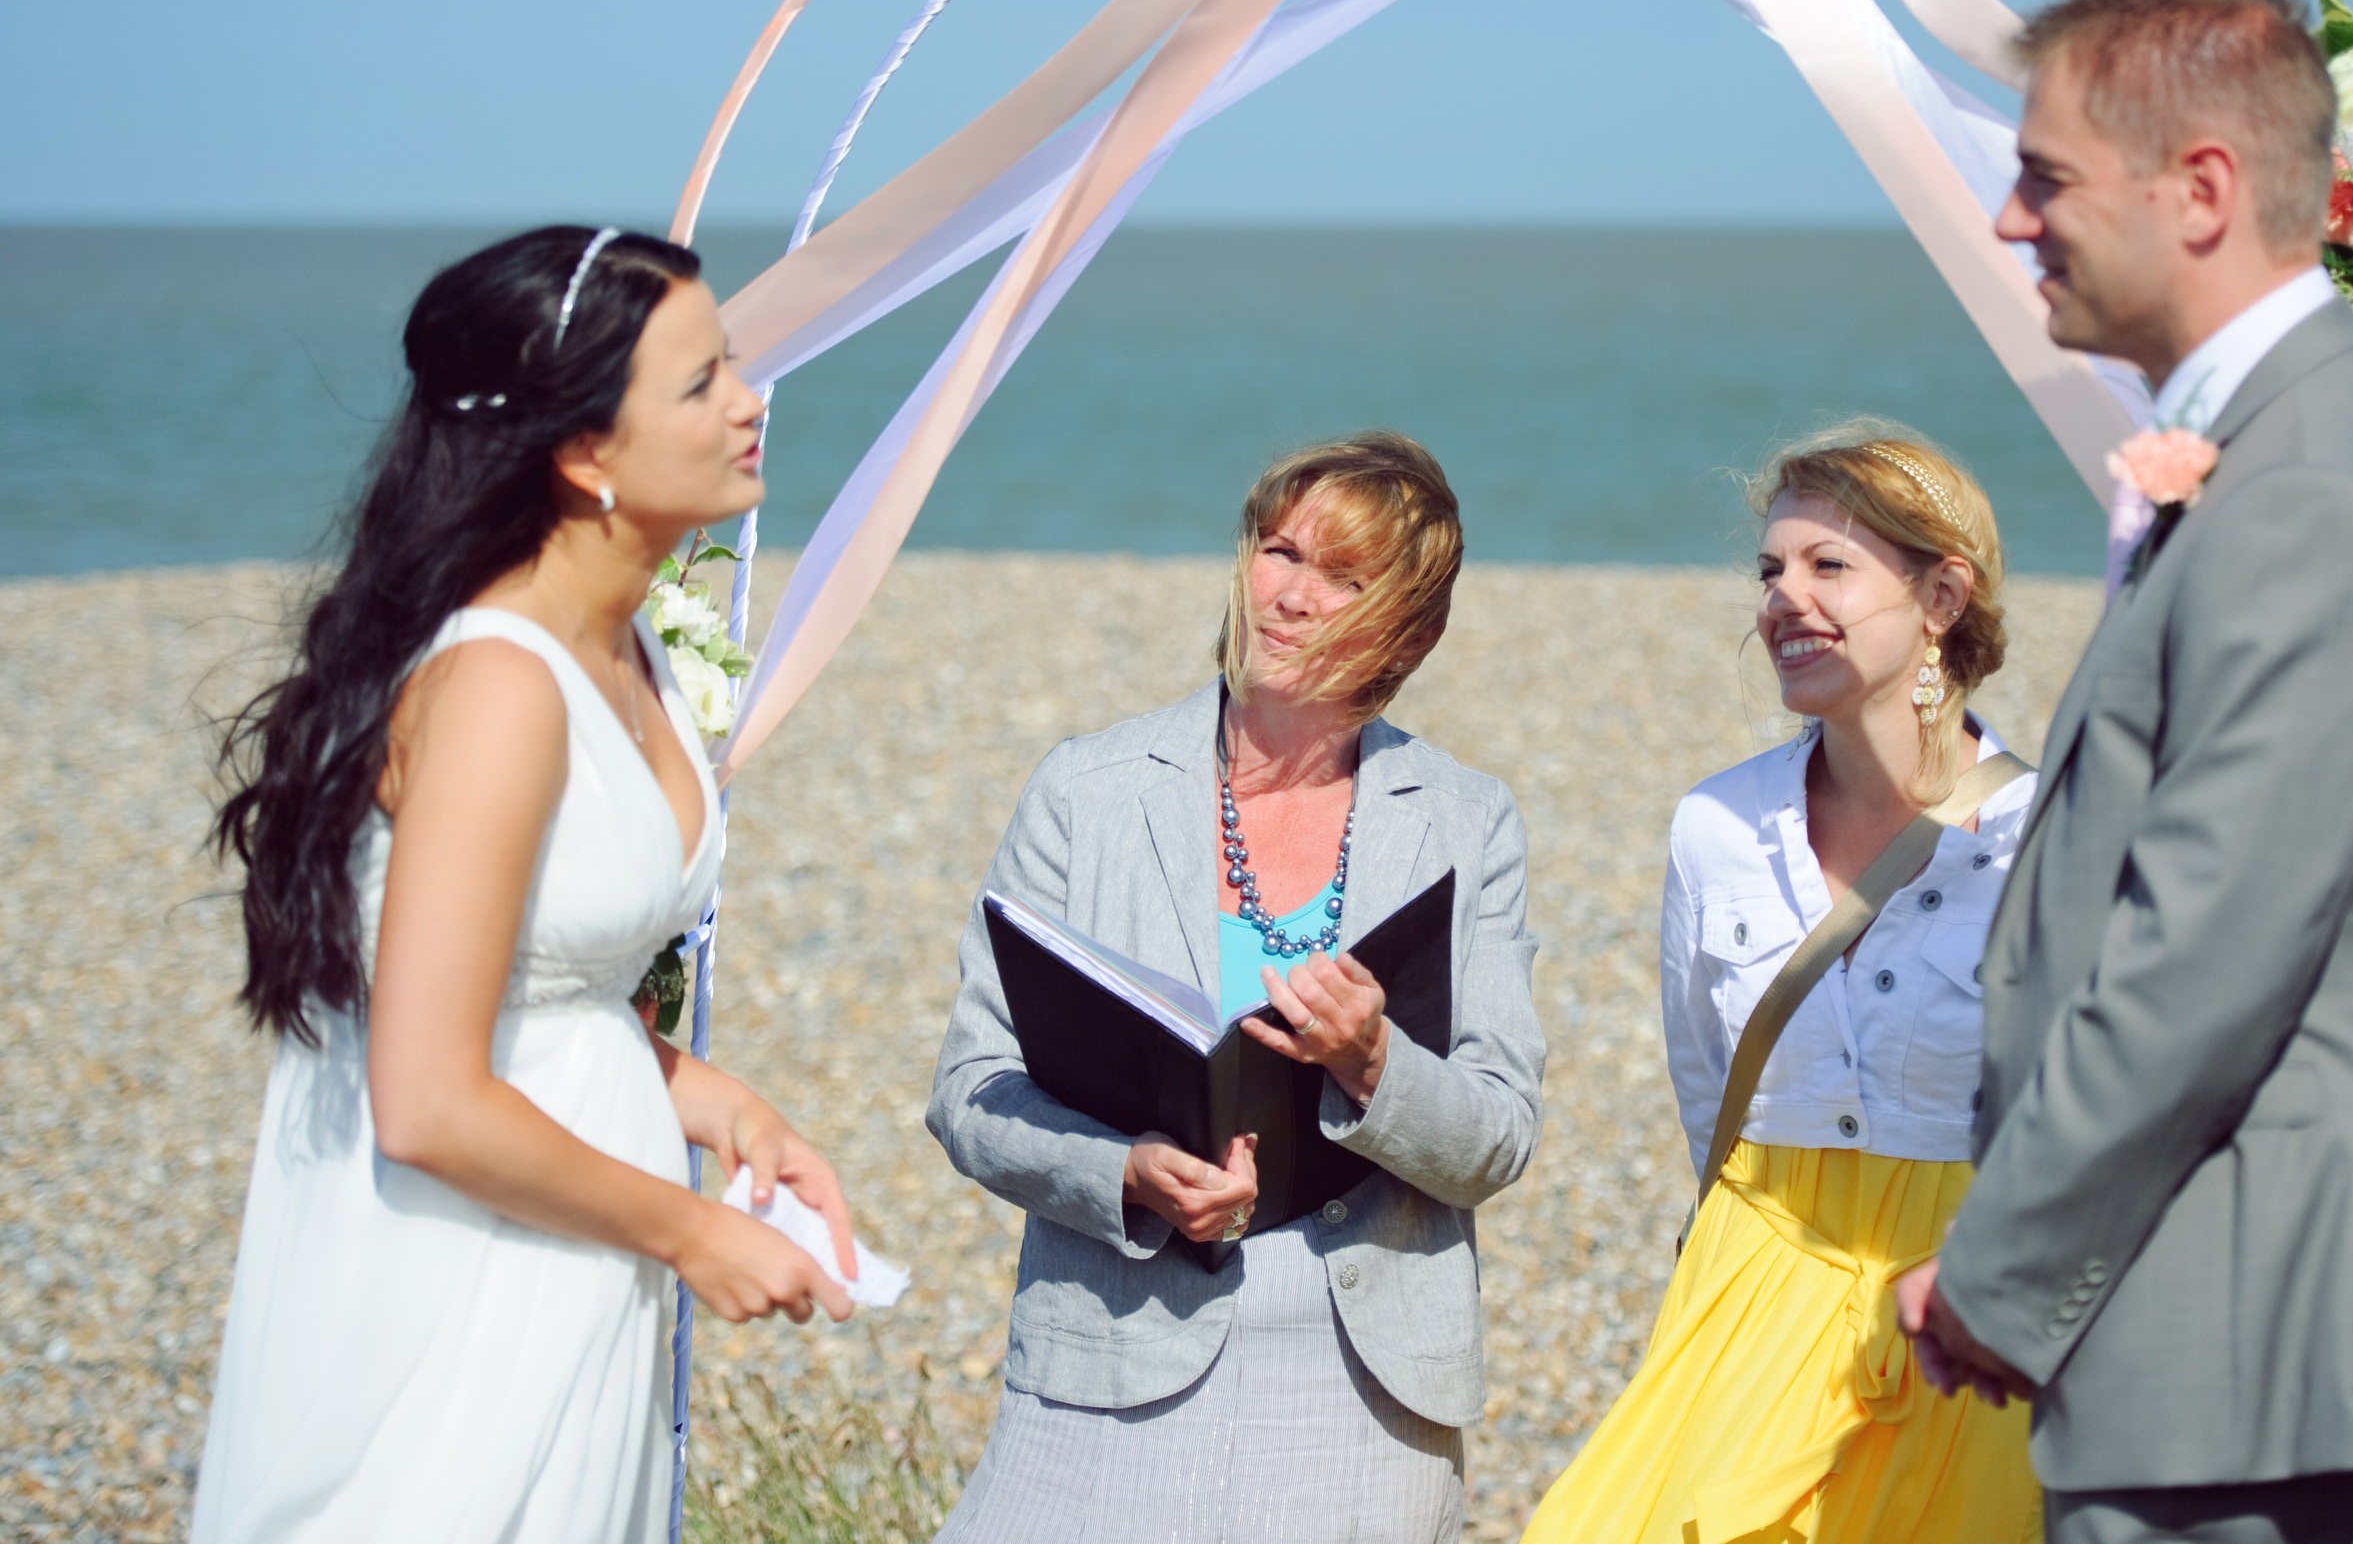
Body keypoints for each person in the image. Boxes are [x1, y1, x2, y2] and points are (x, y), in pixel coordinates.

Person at [1892, 0, 2353, 1544]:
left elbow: (2211, 943)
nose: (2006, 221)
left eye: (2043, 176)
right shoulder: (2298, 438)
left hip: (2229, 1307)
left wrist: (2003, 1265)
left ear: (2200, 190)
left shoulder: (2312, 483)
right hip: (2212, 1294)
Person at [194, 227, 862, 1544]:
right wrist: (688, 1231)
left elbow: (536, 987)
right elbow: (428, 1098)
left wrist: (720, 1102)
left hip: (572, 1245)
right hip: (465, 1271)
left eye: (731, 362)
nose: (747, 400)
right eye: (697, 382)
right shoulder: (499, 684)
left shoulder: (631, 654)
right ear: (582, 452)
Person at [925, 432, 1544, 1543]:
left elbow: (1497, 1136)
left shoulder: (1464, 818)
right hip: (1114, 1340)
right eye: (1280, 549)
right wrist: (1124, 1173)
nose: (1294, 596)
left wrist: (1376, 1064)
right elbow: (971, 1090)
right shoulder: (1089, 789)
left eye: (1345, 578)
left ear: (1413, 627)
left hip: (1363, 1369)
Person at [1522, 427, 2039, 1544]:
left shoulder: (2048, 834)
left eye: (1827, 566)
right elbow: (1705, 1084)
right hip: (1754, 1265)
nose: (1782, 598)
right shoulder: (1713, 824)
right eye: (1769, 569)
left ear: (1942, 594)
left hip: (1971, 1291)